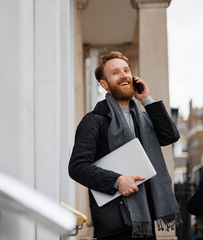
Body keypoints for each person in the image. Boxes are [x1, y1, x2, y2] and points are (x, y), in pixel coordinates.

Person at [69, 51, 182, 240]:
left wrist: (146, 99)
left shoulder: (145, 119)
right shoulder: (94, 121)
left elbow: (170, 136)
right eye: (115, 73)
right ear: (104, 84)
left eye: (126, 70)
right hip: (115, 223)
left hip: (146, 220)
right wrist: (117, 180)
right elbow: (77, 167)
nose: (123, 75)